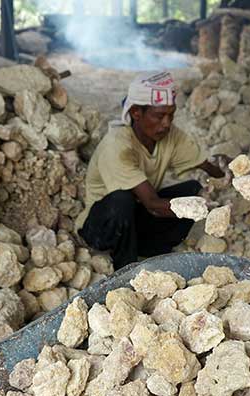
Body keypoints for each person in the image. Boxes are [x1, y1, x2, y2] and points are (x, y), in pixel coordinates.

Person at [75, 71, 227, 270]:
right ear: (136, 113)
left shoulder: (170, 136)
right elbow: (153, 205)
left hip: (136, 219)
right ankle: (125, 269)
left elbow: (207, 166)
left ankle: (151, 251)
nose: (166, 123)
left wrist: (226, 168)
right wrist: (198, 207)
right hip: (101, 227)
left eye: (171, 115)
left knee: (192, 189)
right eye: (159, 116)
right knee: (123, 200)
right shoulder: (118, 146)